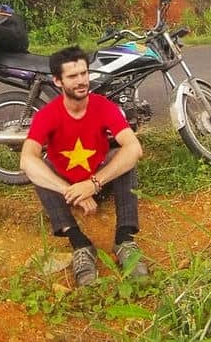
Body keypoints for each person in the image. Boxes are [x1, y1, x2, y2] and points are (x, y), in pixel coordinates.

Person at [20, 45, 149, 287]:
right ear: (58, 81)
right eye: (72, 76)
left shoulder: (103, 106)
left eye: (84, 73)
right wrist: (71, 191)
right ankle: (79, 243)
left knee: (123, 157)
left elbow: (134, 148)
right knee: (39, 167)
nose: (81, 81)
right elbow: (26, 159)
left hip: (99, 180)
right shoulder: (47, 114)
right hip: (66, 187)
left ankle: (125, 239)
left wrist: (93, 184)